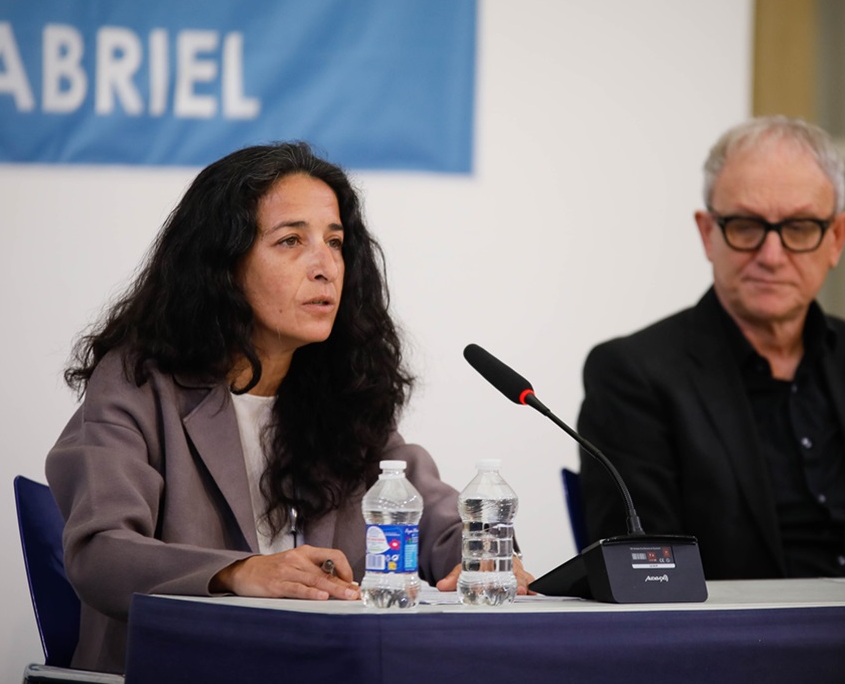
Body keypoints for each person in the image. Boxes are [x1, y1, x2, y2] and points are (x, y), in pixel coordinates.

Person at [47, 142, 532, 674]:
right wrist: (241, 571)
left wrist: (479, 558)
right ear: (222, 265)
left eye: (335, 242)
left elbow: (431, 513)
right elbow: (101, 553)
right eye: (291, 241)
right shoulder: (139, 383)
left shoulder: (340, 394)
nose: (325, 267)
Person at [576, 116, 845, 581]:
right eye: (745, 226)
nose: (771, 256)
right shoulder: (634, 375)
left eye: (798, 227)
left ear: (836, 238)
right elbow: (644, 571)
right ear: (707, 233)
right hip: (740, 642)